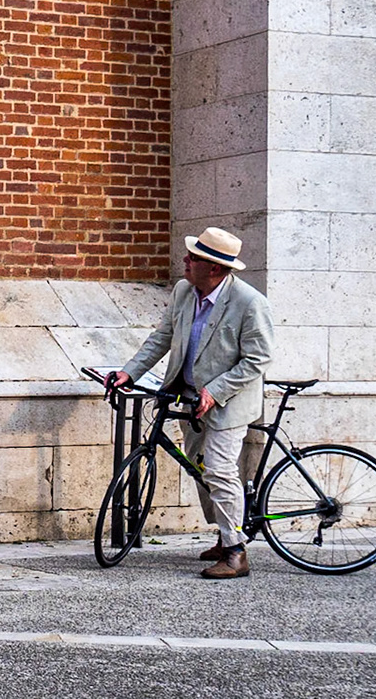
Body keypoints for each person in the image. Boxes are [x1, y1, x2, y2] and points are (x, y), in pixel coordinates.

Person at [106, 227, 274, 579]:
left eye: (194, 257)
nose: (185, 259)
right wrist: (130, 372)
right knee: (200, 470)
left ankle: (235, 552)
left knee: (218, 470)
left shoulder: (249, 303)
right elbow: (162, 337)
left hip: (228, 403)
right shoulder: (185, 291)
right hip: (192, 398)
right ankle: (226, 533)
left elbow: (257, 359)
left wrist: (216, 390)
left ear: (214, 268)